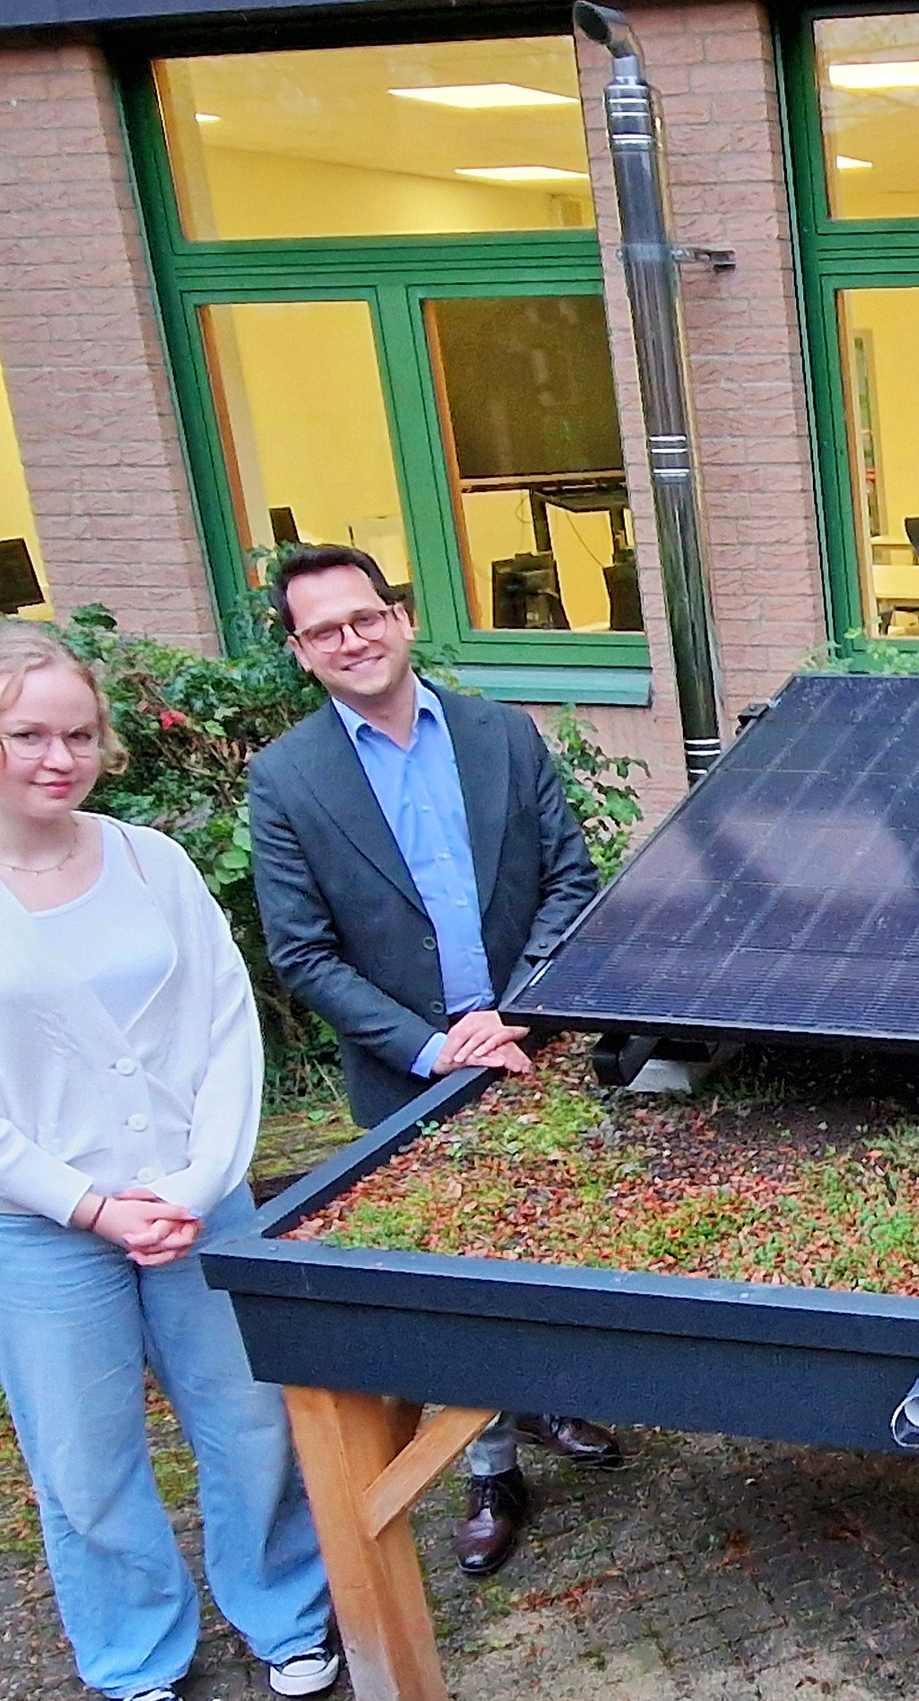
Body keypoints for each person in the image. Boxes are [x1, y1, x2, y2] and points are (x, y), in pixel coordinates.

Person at [0, 624, 337, 1701]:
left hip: (196, 1204)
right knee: (83, 1453)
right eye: (26, 734)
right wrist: (88, 1203)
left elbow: (225, 1028)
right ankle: (134, 1651)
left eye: (77, 733)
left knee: (251, 1419)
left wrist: (197, 1179)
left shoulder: (152, 860)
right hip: (38, 1231)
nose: (56, 757)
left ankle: (286, 1610)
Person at [245, 543, 625, 1579]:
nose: (352, 639)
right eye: (324, 629)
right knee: (452, 1284)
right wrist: (432, 1043)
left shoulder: (501, 734)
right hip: (408, 1073)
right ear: (301, 651)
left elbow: (570, 878)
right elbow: (303, 950)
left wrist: (519, 1013)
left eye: (365, 616)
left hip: (531, 1048)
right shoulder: (286, 779)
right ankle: (489, 1466)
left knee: (550, 1242)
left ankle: (550, 1396)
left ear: (402, 617)